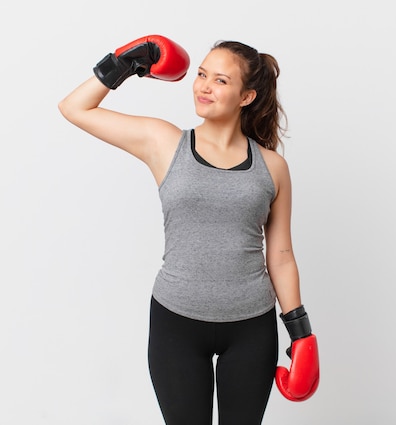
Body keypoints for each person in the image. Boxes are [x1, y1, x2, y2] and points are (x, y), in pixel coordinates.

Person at [58, 35, 319, 424]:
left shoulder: (272, 167)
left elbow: (280, 256)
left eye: (220, 80)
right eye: (201, 74)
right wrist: (124, 63)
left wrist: (301, 333)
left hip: (251, 327)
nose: (203, 86)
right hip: (176, 322)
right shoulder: (163, 142)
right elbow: (74, 108)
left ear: (246, 96)